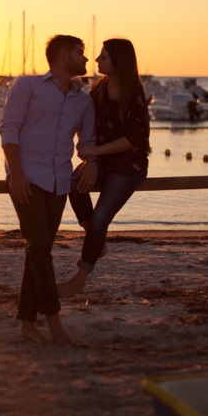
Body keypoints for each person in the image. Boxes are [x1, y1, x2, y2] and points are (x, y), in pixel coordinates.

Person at [0, 34, 97, 345]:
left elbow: (87, 142)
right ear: (64, 54)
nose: (86, 59)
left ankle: (26, 323)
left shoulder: (84, 100)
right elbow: (9, 128)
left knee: (39, 249)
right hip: (26, 177)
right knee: (40, 246)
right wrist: (16, 174)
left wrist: (92, 162)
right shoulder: (28, 86)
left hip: (59, 182)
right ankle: (54, 321)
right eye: (81, 53)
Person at [58, 38, 150, 297]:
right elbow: (88, 122)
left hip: (129, 167)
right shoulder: (99, 88)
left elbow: (133, 139)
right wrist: (92, 161)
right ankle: (95, 238)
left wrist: (94, 153)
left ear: (118, 62)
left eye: (103, 56)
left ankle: (79, 278)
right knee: (73, 184)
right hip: (104, 163)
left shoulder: (134, 94)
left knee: (100, 219)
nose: (97, 60)